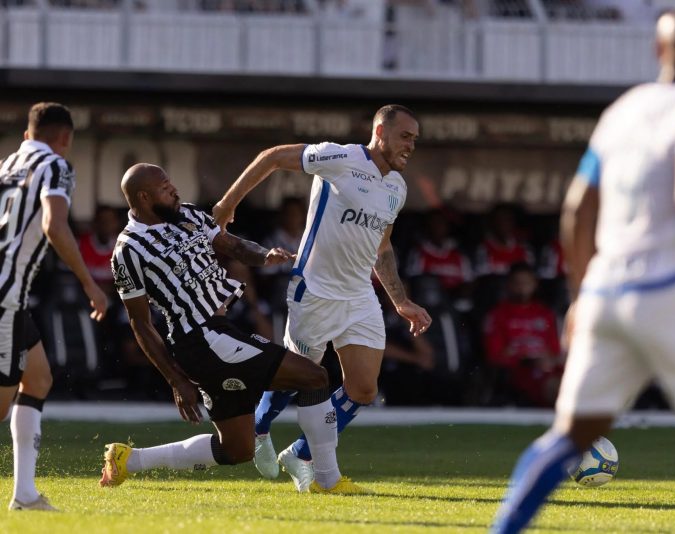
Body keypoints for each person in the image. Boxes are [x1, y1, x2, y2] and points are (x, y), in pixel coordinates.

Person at [493, 9, 675, 534]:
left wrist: (578, 294)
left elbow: (576, 210)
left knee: (571, 434)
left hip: (604, 292)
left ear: (658, 52)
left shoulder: (621, 111)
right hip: (670, 290)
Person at [99, 163, 368, 495]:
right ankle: (327, 479)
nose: (174, 190)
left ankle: (129, 459)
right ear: (143, 196)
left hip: (218, 334)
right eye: (165, 187)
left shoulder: (189, 215)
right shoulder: (128, 251)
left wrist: (264, 255)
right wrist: (176, 379)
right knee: (314, 376)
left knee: (237, 449)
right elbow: (140, 323)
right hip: (201, 338)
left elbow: (233, 246)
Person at [212, 104, 432, 491]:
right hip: (315, 292)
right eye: (405, 136)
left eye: (415, 138)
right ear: (380, 131)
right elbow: (273, 157)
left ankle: (302, 453)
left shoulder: (396, 186)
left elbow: (382, 249)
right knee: (296, 378)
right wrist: (228, 204)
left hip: (359, 296)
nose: (411, 145)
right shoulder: (342, 157)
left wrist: (400, 301)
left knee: (363, 389)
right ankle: (260, 428)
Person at [0, 102, 109, 511]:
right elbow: (54, 224)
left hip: (12, 298)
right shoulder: (56, 166)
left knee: (38, 378)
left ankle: (25, 494)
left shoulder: (6, 163)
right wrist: (89, 285)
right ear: (65, 138)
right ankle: (25, 495)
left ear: (28, 133)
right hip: (5, 298)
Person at [482, 262, 562, 407]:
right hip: (519, 371)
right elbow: (495, 355)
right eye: (517, 283)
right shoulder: (498, 314)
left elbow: (554, 349)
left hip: (547, 368)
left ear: (535, 284)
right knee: (558, 388)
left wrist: (549, 359)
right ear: (509, 285)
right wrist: (524, 358)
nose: (522, 288)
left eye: (526, 283)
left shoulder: (545, 313)